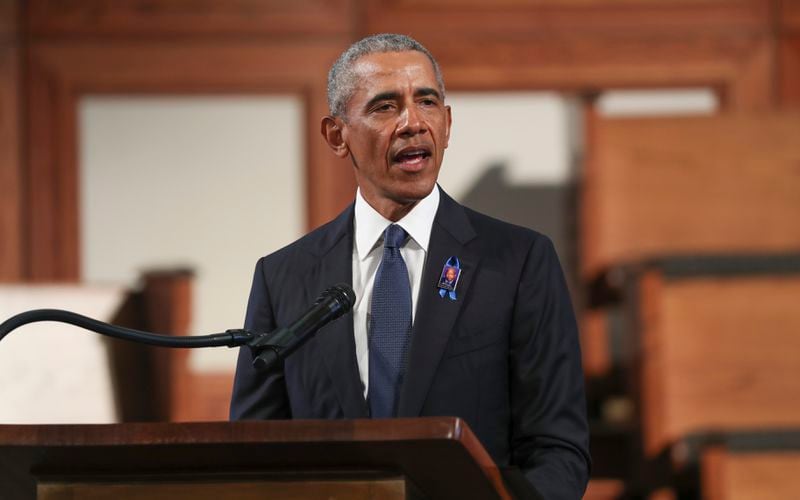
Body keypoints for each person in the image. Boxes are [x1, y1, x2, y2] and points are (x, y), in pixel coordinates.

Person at [230, 33, 590, 499]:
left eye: (427, 102)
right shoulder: (283, 278)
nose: (413, 123)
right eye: (385, 106)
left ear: (448, 122)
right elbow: (253, 454)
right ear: (337, 136)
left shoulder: (517, 261)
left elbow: (558, 450)